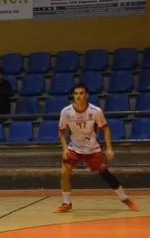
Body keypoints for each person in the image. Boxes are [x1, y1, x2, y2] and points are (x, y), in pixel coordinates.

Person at [56, 83, 138, 213]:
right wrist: (65, 148)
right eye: (76, 94)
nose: (78, 96)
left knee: (105, 173)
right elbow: (61, 131)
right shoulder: (66, 112)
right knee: (65, 171)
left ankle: (125, 199)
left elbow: (106, 129)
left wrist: (109, 148)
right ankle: (66, 203)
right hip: (74, 147)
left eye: (81, 93)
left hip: (92, 148)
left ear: (87, 95)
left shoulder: (96, 111)